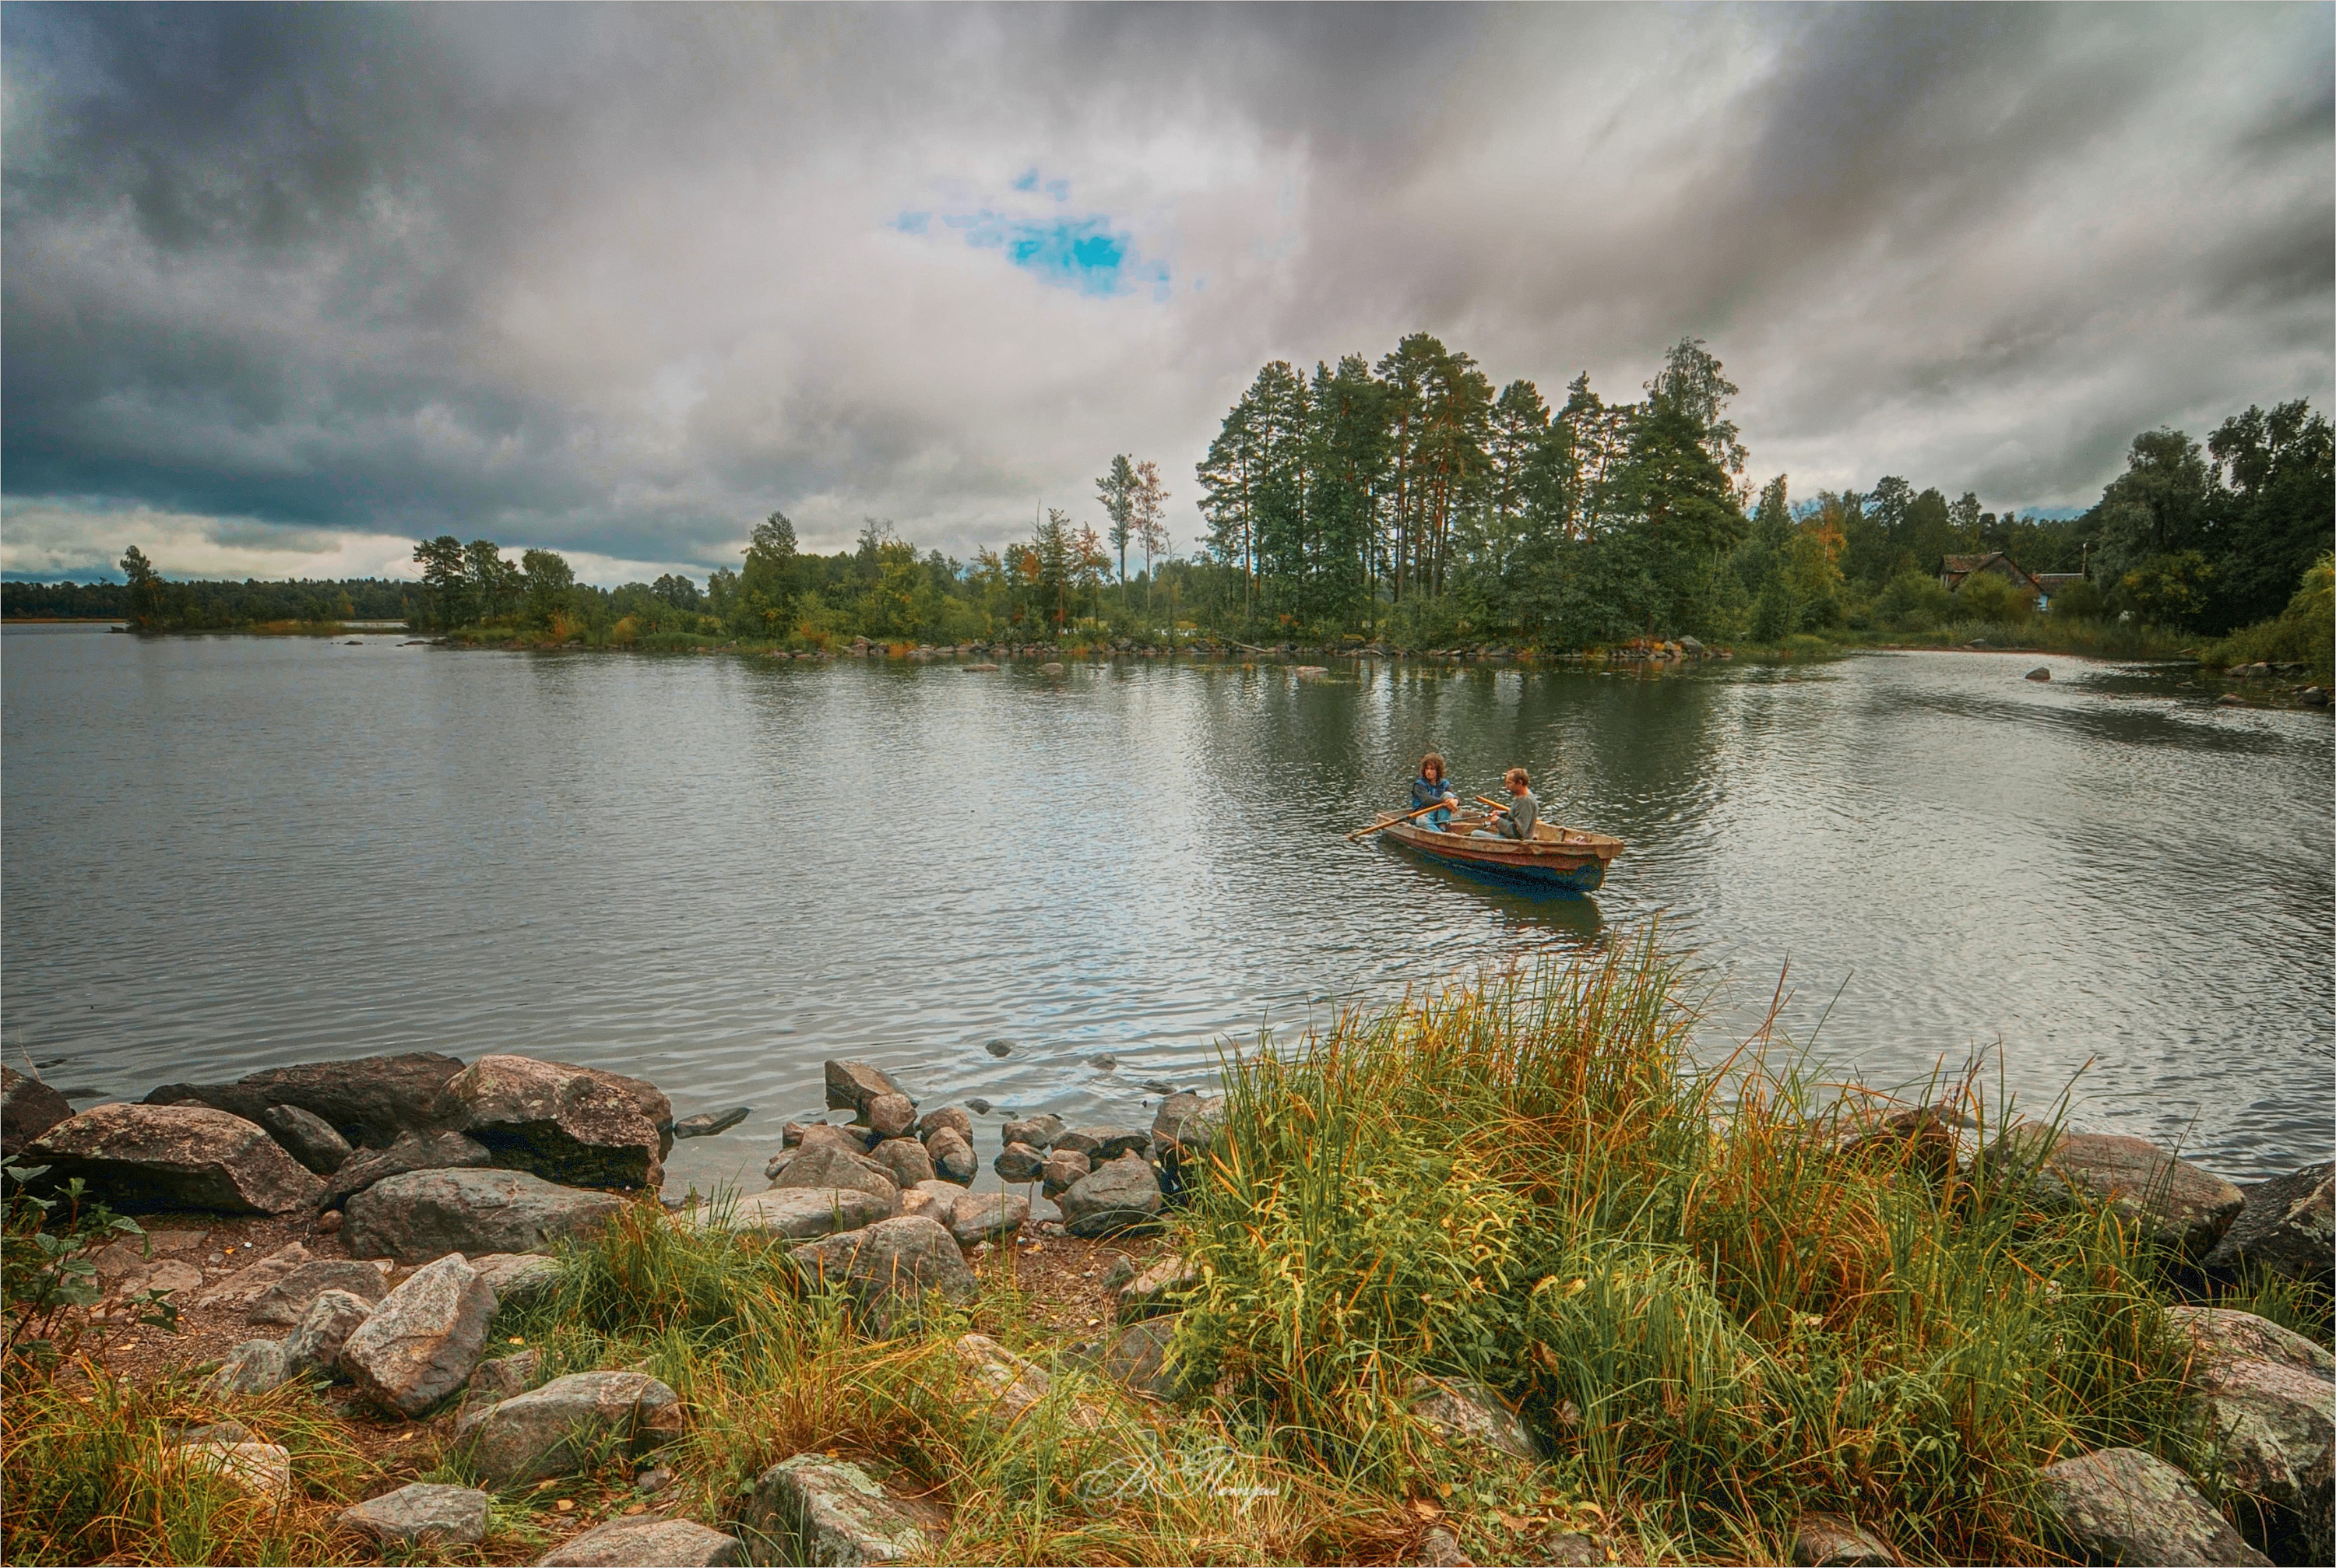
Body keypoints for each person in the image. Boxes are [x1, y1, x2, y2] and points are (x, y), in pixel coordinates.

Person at [1474, 766, 1539, 841]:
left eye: (1509, 783)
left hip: (1516, 842)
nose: (1507, 787)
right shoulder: (1520, 797)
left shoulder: (1526, 802)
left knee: (1475, 834)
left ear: (1520, 783)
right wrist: (1501, 814)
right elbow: (1516, 817)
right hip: (1509, 837)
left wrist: (1498, 821)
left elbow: (1519, 833)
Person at [1409, 753, 1458, 831]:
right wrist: (1445, 802)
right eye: (1427, 769)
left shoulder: (1444, 783)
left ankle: (1442, 825)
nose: (1429, 772)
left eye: (1432, 769)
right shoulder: (1419, 785)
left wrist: (1455, 801)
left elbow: (1456, 799)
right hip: (1423, 815)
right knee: (1422, 821)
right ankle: (1442, 836)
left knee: (1448, 795)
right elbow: (1427, 801)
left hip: (1438, 815)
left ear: (1438, 771)